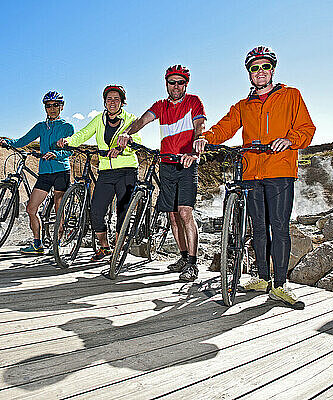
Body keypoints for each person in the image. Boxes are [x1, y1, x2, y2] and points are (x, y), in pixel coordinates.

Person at [193, 46, 316, 309]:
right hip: (250, 171)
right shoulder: (243, 105)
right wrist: (206, 138)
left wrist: (290, 139)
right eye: (254, 68)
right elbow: (224, 127)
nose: (260, 72)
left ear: (273, 69)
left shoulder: (291, 95)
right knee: (258, 228)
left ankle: (280, 285)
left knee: (279, 227)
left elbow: (307, 128)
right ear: (249, 73)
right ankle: (262, 278)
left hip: (280, 170)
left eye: (265, 66)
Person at [117, 65, 205, 282]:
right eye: (172, 82)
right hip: (166, 164)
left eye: (180, 82)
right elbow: (141, 121)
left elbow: (199, 126)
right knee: (173, 216)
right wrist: (127, 132)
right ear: (166, 84)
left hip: (186, 163)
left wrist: (196, 147)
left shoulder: (193, 101)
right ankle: (183, 258)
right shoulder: (161, 105)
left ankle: (193, 264)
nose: (176, 86)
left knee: (185, 213)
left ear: (186, 84)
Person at [57, 85, 140, 261]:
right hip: (106, 172)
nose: (112, 102)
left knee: (123, 212)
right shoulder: (98, 120)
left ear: (122, 102)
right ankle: (104, 247)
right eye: (109, 99)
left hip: (127, 170)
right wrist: (68, 140)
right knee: (96, 211)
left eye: (116, 99)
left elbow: (136, 141)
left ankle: (117, 250)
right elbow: (83, 134)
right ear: (104, 102)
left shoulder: (131, 119)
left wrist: (122, 146)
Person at [0, 91, 73, 255]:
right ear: (45, 108)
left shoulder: (67, 127)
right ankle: (37, 244)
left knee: (59, 210)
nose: (52, 109)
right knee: (31, 208)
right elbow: (23, 140)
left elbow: (70, 151)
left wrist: (56, 154)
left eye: (55, 105)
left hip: (61, 172)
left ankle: (58, 243)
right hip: (45, 172)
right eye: (48, 106)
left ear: (62, 106)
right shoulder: (41, 127)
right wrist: (7, 142)